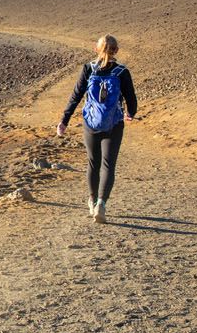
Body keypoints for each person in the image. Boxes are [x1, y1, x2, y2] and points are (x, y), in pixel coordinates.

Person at [57, 35, 138, 223]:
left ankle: (92, 200)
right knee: (108, 165)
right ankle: (102, 204)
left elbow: (76, 96)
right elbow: (131, 98)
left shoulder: (88, 69)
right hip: (114, 123)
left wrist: (64, 121)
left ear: (96, 49)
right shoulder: (122, 72)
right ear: (116, 51)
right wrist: (130, 113)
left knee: (94, 163)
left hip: (90, 124)